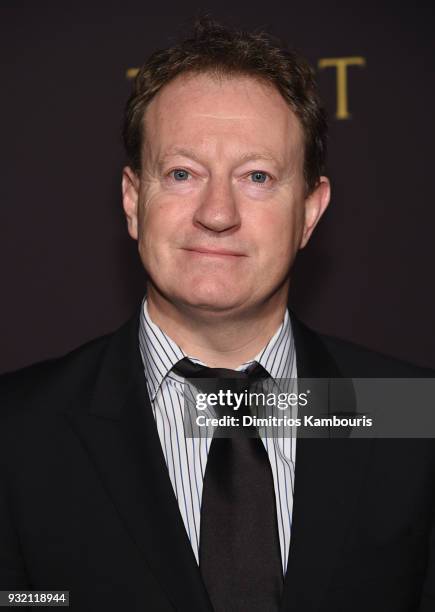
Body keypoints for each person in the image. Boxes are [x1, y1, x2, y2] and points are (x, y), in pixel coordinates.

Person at [1, 17, 434, 612]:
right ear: (133, 201)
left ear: (311, 212)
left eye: (256, 177)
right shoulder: (17, 433)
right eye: (183, 173)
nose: (217, 212)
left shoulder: (413, 420)